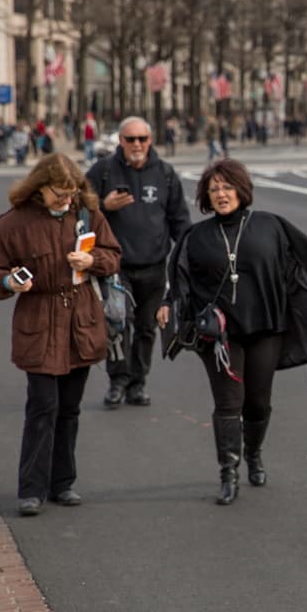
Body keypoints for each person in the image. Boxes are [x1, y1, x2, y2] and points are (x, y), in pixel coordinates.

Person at [158, 159, 307, 504]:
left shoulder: (272, 226)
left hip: (266, 327)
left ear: (241, 189)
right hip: (219, 336)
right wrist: (167, 302)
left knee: (257, 403)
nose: (221, 194)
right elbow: (178, 277)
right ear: (206, 196)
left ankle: (253, 453)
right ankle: (229, 474)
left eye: (227, 187)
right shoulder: (196, 236)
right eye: (214, 189)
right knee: (228, 403)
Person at [0, 154, 122, 516]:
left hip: (81, 323)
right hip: (39, 321)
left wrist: (93, 262)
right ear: (40, 187)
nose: (67, 200)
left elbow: (113, 254)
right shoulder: (14, 223)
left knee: (69, 409)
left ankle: (63, 483)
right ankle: (31, 489)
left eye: (72, 193)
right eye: (60, 193)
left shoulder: (87, 214)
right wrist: (9, 282)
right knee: (43, 406)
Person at [86, 116, 191, 408]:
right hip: (116, 268)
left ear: (150, 140)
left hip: (154, 266)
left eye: (142, 139)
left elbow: (180, 219)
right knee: (118, 325)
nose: (136, 145)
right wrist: (103, 206)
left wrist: (186, 256)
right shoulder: (104, 171)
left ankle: (138, 383)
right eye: (130, 139)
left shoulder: (165, 174)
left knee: (147, 328)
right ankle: (117, 381)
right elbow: (78, 210)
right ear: (120, 141)